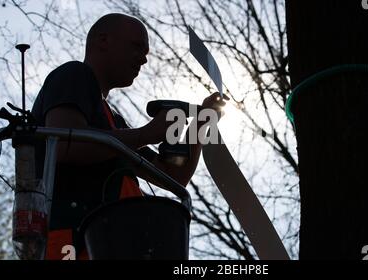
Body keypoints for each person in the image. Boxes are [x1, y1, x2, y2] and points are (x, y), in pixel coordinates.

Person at [31, 13, 227, 260]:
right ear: (103, 40)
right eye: (137, 47)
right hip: (70, 242)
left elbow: (173, 175)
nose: (144, 59)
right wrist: (147, 133)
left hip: (112, 242)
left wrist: (201, 121)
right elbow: (66, 144)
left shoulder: (114, 123)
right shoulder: (73, 74)